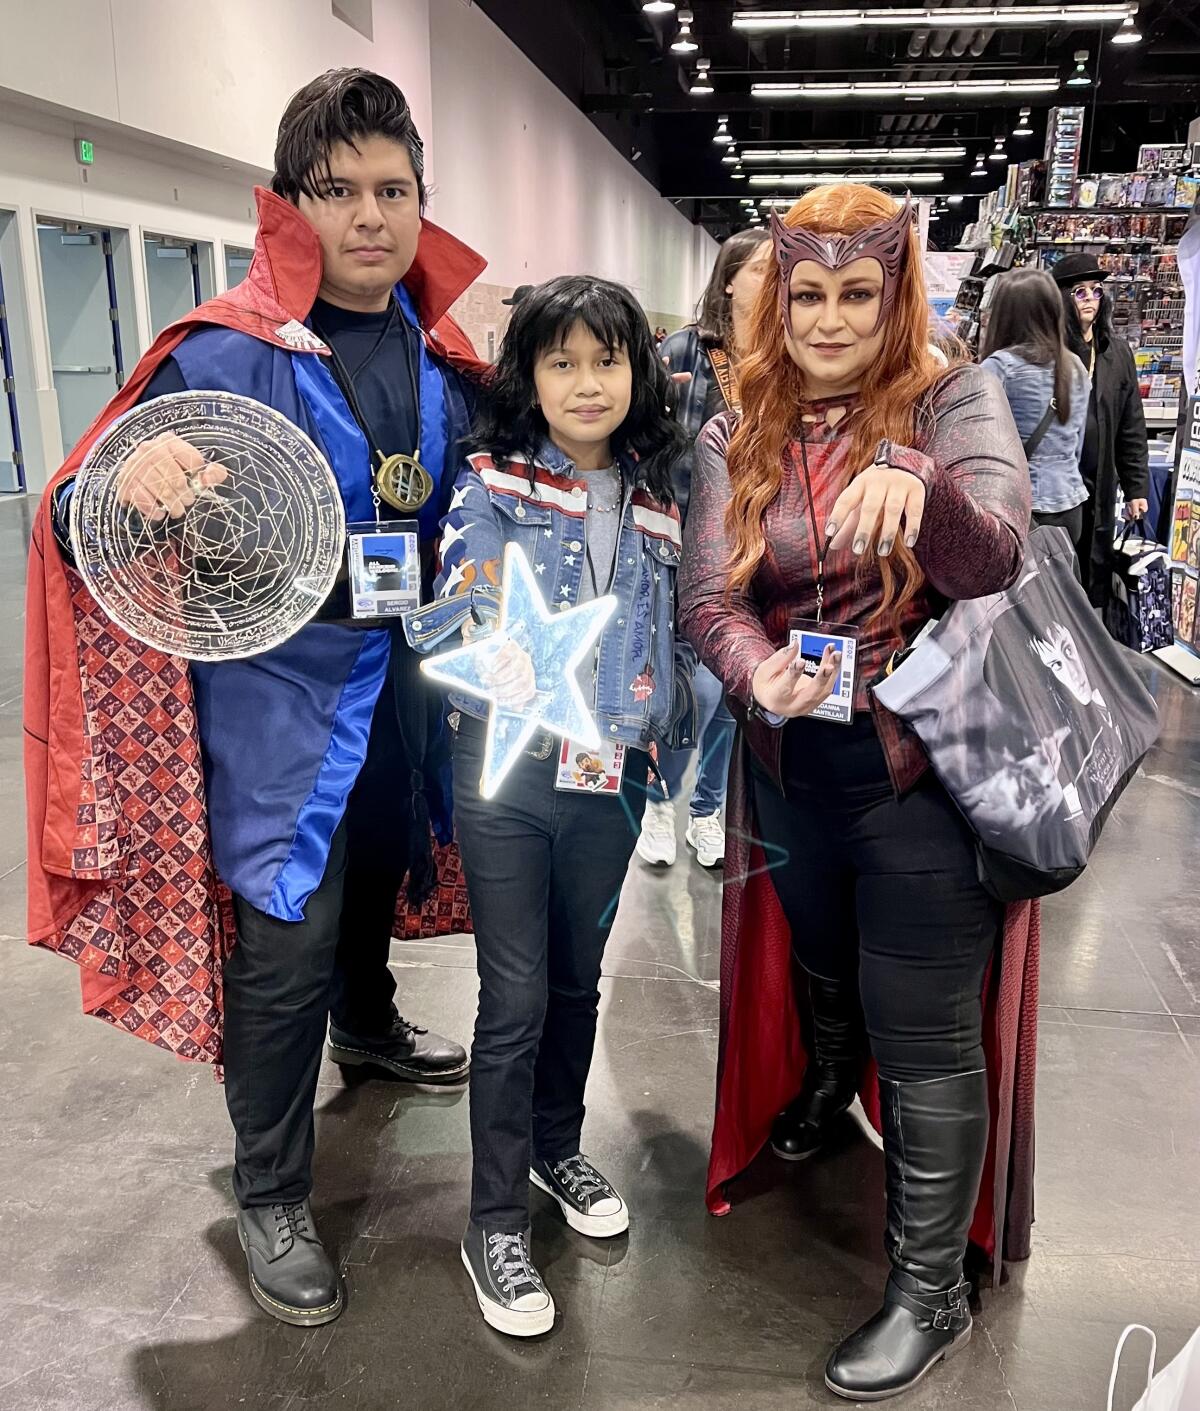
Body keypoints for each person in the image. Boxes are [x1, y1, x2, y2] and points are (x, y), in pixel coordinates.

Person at [25, 69, 486, 1327]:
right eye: (338, 191)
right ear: (291, 204)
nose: (371, 217)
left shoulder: (442, 351)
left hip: (410, 685)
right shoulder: (221, 350)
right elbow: (77, 508)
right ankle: (273, 1188)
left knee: (384, 869)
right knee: (284, 940)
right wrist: (127, 477)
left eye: (394, 190)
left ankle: (374, 1023)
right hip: (280, 708)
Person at [678, 183, 1042, 1402]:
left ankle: (929, 1286)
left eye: (856, 291)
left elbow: (1000, 550)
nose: (829, 318)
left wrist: (919, 481)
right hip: (793, 768)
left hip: (924, 776)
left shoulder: (952, 397)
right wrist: (753, 670)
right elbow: (707, 597)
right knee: (823, 959)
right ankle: (829, 1082)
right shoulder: (743, 420)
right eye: (808, 293)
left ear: (898, 292)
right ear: (776, 296)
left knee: (929, 1026)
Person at [406, 276, 692, 1338]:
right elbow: (445, 618)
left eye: (605, 360)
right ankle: (492, 1219)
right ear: (528, 373)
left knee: (577, 982)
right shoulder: (493, 485)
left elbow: (685, 629)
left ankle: (554, 1144)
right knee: (516, 993)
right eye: (561, 360)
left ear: (638, 371)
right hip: (512, 770)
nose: (585, 382)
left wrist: (682, 721)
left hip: (611, 773)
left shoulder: (664, 490)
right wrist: (485, 642)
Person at [637, 228, 772, 869]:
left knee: (737, 688)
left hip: (760, 547)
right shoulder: (691, 350)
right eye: (763, 270)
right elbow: (662, 448)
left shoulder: (785, 357)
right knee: (689, 684)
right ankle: (661, 801)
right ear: (729, 281)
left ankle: (707, 808)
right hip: (689, 541)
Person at [1052, 253, 1150, 603]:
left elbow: (1130, 425)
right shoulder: (1048, 353)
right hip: (1056, 486)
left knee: (1096, 562)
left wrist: (1137, 487)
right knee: (1057, 567)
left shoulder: (1116, 353)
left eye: (1096, 291)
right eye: (1080, 292)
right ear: (1062, 298)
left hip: (1100, 482)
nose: (1091, 299)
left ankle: (1093, 634)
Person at [980, 267, 1091, 551]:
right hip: (1070, 502)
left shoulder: (999, 367)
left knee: (1014, 594)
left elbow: (977, 442)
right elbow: (1077, 443)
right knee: (1056, 592)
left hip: (1020, 508)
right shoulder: (1076, 366)